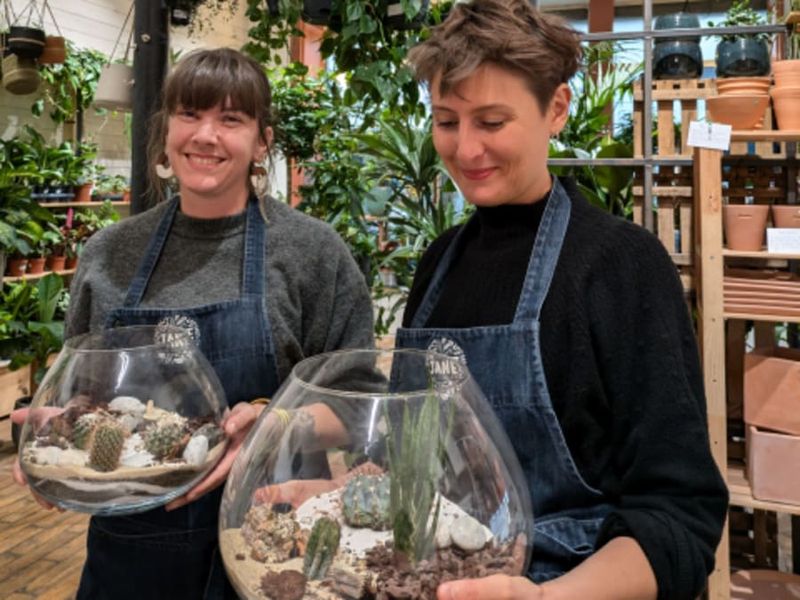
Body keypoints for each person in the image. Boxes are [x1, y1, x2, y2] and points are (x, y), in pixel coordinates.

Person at [394, 2, 729, 599]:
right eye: (447, 121)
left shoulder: (621, 265)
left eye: (492, 122)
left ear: (556, 109)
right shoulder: (437, 264)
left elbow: (679, 517)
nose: (466, 150)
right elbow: (413, 464)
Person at [13, 47, 374, 599]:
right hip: (132, 550)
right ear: (165, 131)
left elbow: (358, 405)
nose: (205, 135)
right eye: (190, 114)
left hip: (270, 543)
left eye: (231, 119)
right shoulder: (110, 253)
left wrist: (271, 426)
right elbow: (84, 394)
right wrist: (56, 441)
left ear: (262, 141)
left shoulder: (313, 253)